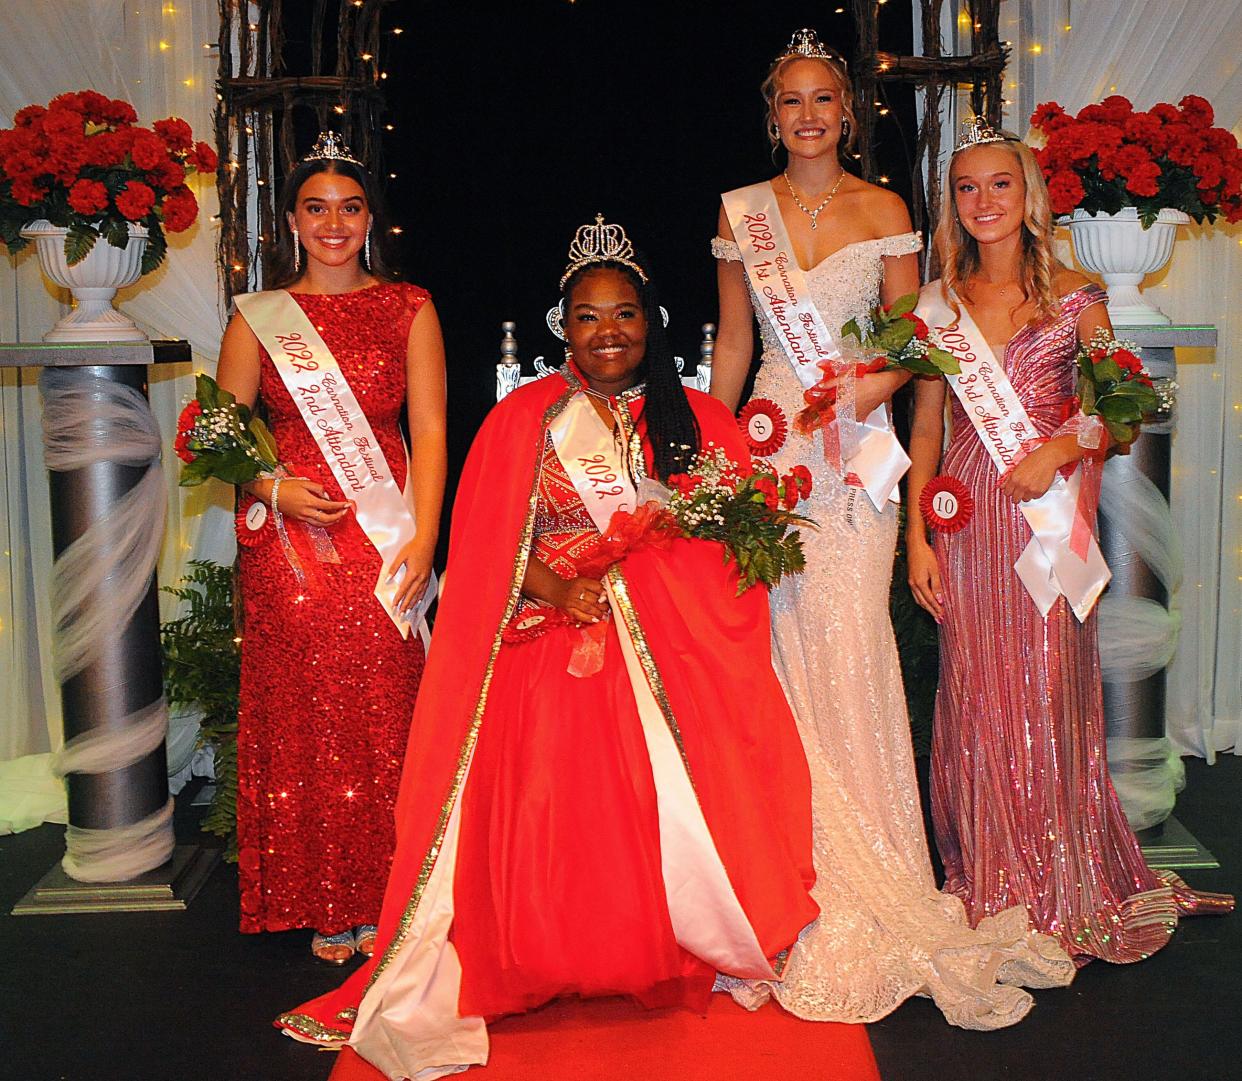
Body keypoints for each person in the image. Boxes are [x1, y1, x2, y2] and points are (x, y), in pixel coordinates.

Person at [273, 216, 819, 1077]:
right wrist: (563, 590)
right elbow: (490, 549)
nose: (609, 332)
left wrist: (650, 588)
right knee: (548, 776)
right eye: (590, 316)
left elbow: (730, 560)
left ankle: (681, 933)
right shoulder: (524, 416)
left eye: (626, 314)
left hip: (663, 649)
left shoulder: (700, 419)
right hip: (547, 629)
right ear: (562, 325)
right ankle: (546, 952)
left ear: (653, 321)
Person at [710, 30, 1075, 1028]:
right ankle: (784, 874)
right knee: (777, 654)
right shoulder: (741, 212)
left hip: (857, 453)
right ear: (772, 113)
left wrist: (859, 391)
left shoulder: (887, 211)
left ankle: (872, 866)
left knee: (850, 637)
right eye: (791, 100)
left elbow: (919, 348)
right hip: (773, 445)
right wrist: (717, 455)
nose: (809, 115)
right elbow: (738, 344)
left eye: (824, 98)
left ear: (847, 110)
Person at [906, 119, 1232, 964]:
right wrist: (915, 535)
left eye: (1000, 185)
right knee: (975, 696)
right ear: (954, 204)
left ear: (1029, 196)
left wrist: (1059, 444)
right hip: (968, 519)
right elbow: (929, 428)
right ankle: (989, 872)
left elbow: (1126, 407)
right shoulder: (938, 303)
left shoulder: (1077, 296)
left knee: (1047, 692)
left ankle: (1058, 872)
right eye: (968, 188)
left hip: (1045, 519)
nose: (984, 202)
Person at [215, 132, 447, 964]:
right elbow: (222, 435)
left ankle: (394, 886)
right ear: (291, 220)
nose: (334, 223)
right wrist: (273, 489)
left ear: (370, 219)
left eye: (349, 208)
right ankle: (327, 894)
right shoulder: (259, 317)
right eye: (317, 208)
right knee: (312, 710)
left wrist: (423, 534)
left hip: (383, 528)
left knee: (389, 709)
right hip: (294, 543)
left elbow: (427, 427)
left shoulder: (409, 306)